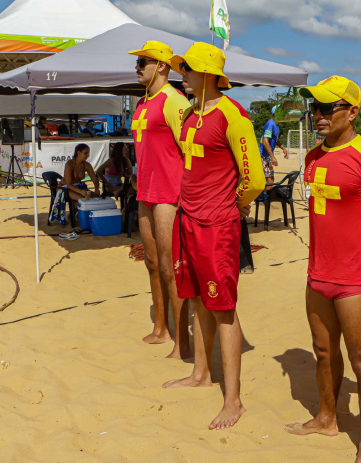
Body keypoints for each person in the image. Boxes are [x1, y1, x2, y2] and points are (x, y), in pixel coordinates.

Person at [285, 76, 361, 463]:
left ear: (352, 112)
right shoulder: (311, 157)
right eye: (314, 109)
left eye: (327, 108)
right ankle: (327, 417)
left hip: (357, 281)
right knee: (323, 351)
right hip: (317, 275)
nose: (317, 116)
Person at [162, 42, 265, 431]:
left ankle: (233, 400)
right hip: (187, 219)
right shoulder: (190, 113)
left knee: (223, 306)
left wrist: (235, 206)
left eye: (186, 69)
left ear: (206, 72)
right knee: (197, 298)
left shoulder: (233, 116)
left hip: (217, 224)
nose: (181, 74)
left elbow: (255, 177)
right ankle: (201, 373)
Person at [127, 40, 193, 359]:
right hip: (145, 193)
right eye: (137, 62)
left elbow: (192, 152)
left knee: (170, 267)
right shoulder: (141, 104)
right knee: (152, 263)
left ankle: (183, 342)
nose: (137, 67)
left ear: (162, 67)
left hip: (170, 194)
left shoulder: (174, 101)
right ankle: (161, 328)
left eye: (143, 62)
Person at [259, 107, 289, 189]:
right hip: (264, 155)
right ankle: (265, 199)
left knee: (269, 179)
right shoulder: (270, 124)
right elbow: (265, 141)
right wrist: (272, 156)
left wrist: (283, 148)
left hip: (267, 156)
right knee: (270, 180)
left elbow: (276, 139)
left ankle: (264, 198)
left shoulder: (276, 124)